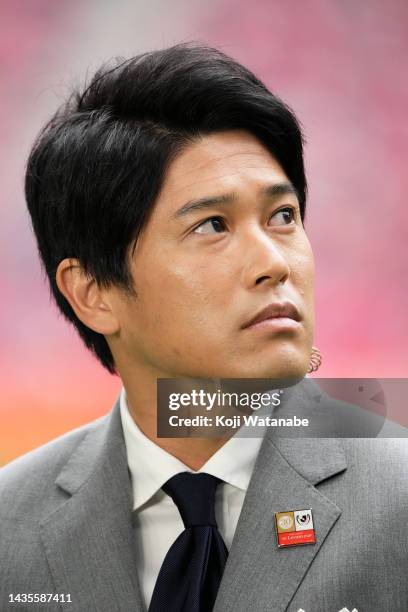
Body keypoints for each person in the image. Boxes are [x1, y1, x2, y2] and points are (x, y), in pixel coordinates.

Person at [0, 42, 407, 612]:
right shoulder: (9, 532)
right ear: (92, 293)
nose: (274, 262)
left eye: (283, 216)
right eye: (213, 225)